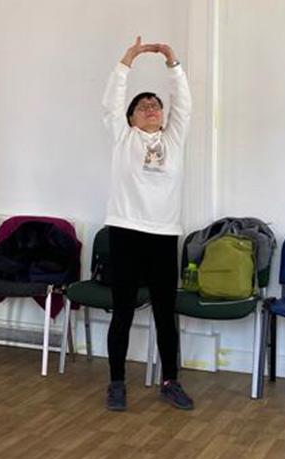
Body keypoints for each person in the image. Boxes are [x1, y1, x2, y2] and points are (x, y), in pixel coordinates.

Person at [101, 36, 193, 412]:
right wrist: (128, 59)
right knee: (122, 310)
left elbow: (184, 104)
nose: (151, 108)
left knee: (164, 312)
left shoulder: (174, 138)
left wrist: (173, 63)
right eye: (142, 106)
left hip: (163, 234)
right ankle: (117, 382)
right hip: (124, 231)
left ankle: (170, 380)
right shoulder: (123, 138)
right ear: (130, 117)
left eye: (155, 104)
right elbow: (111, 100)